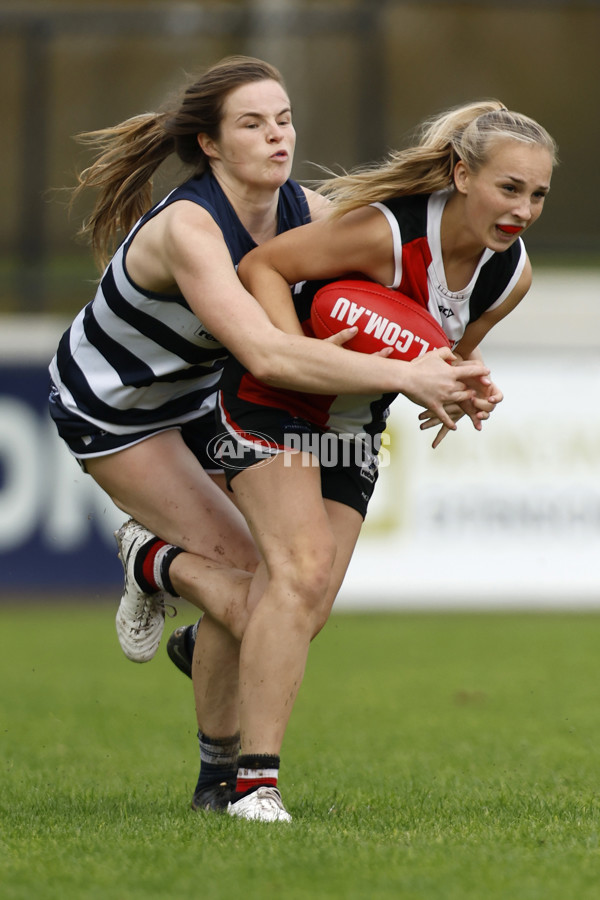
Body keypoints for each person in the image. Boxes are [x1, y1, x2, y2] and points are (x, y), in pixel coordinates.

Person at [48, 58, 487, 817]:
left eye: (282, 118)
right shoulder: (190, 225)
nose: (277, 135)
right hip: (116, 409)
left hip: (199, 397)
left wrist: (452, 365)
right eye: (252, 124)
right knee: (260, 587)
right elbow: (265, 352)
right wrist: (407, 376)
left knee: (286, 596)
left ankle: (216, 786)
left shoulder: (308, 210)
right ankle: (150, 560)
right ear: (212, 145)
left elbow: (390, 269)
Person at [207, 99, 557, 821]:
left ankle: (170, 584)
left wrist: (463, 391)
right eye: (509, 188)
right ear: (461, 175)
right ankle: (253, 786)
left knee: (300, 610)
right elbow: (261, 266)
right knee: (298, 578)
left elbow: (439, 350)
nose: (524, 209)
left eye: (538, 194)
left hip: (353, 423)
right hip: (270, 401)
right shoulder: (387, 233)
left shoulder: (509, 275)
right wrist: (297, 357)